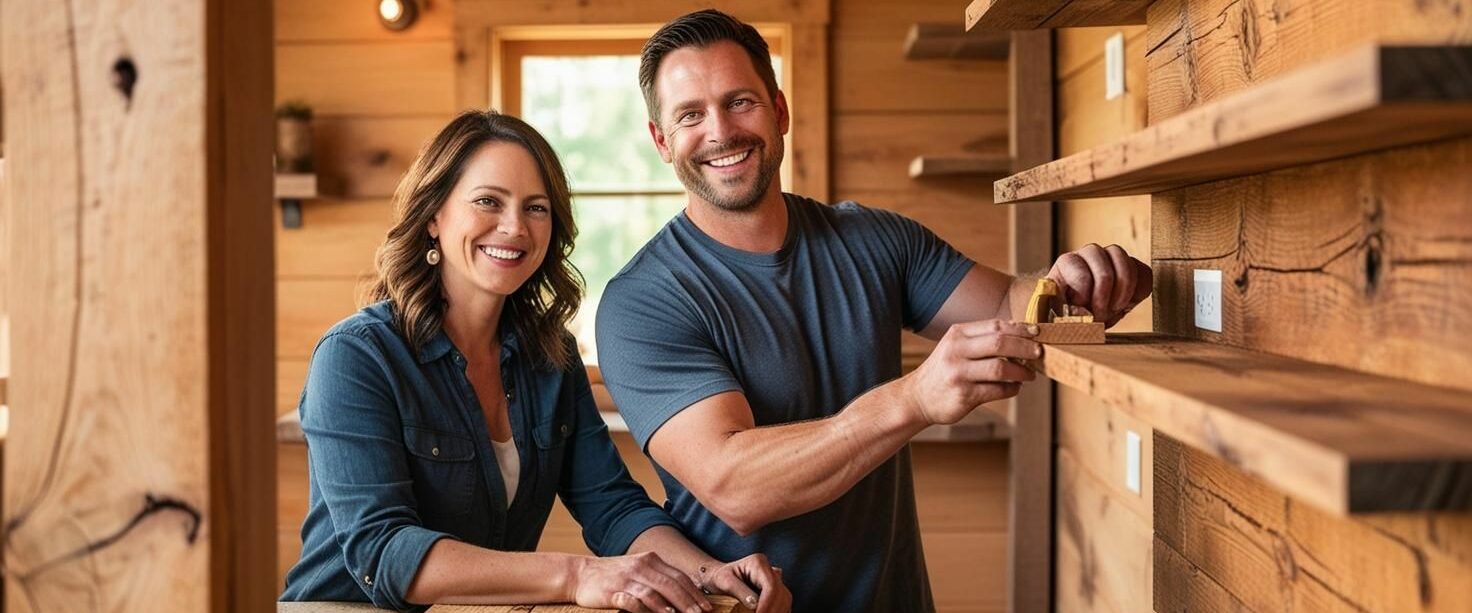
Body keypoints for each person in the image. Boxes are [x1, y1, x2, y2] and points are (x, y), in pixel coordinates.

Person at [594, 10, 1153, 613]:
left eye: (740, 102)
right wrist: (913, 398)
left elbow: (1003, 304)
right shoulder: (642, 302)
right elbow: (734, 486)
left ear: (779, 111)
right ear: (661, 142)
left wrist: (1069, 285)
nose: (721, 131)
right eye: (690, 115)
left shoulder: (873, 239)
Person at [279, 110, 790, 613]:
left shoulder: (551, 355)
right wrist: (577, 575)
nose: (514, 227)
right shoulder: (356, 356)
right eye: (487, 201)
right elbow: (384, 553)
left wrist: (707, 572)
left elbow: (611, 506)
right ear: (434, 216)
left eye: (536, 207)